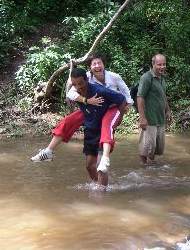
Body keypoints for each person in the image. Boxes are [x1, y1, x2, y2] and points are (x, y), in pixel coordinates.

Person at [31, 55, 133, 183]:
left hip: (111, 108)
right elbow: (71, 93)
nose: (97, 66)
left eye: (99, 63)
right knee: (68, 121)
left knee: (105, 135)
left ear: (104, 65)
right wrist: (87, 100)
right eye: (94, 64)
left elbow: (124, 93)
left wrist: (125, 108)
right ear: (90, 69)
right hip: (92, 109)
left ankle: (104, 162)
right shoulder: (85, 79)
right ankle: (48, 151)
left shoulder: (112, 78)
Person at [69, 68, 126, 184]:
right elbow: (70, 95)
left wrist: (119, 119)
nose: (78, 87)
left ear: (87, 80)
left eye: (80, 83)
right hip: (89, 131)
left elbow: (122, 99)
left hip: (103, 131)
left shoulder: (100, 90)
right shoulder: (76, 93)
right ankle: (100, 185)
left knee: (100, 166)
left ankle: (102, 193)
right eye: (75, 84)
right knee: (89, 166)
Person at [137, 54, 171, 165]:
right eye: (159, 64)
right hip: (149, 120)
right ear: (153, 64)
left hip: (160, 119)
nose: (162, 67)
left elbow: (163, 95)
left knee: (155, 148)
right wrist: (142, 118)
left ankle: (151, 171)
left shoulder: (162, 78)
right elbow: (140, 97)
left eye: (164, 64)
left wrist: (168, 111)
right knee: (145, 148)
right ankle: (143, 169)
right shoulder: (147, 78)